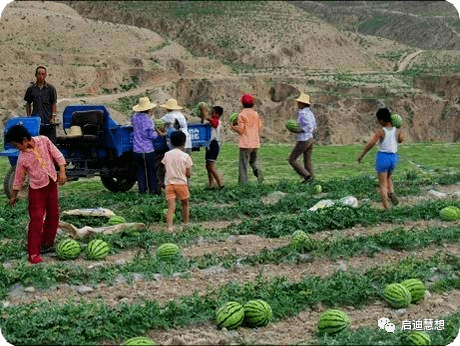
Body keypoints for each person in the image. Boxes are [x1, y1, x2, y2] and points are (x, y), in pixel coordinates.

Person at [5, 124, 67, 264]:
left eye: (16, 145)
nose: (17, 148)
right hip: (37, 189)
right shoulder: (22, 157)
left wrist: (62, 172)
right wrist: (14, 196)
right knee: (37, 218)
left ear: (24, 140)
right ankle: (33, 252)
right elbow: (18, 178)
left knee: (54, 214)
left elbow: (57, 155)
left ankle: (47, 243)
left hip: (51, 183)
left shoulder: (43, 140)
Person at [358, 107, 403, 209]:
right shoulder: (397, 131)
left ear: (382, 120)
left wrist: (362, 155)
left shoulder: (381, 132)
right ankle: (391, 192)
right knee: (388, 177)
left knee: (382, 184)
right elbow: (400, 140)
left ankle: (386, 208)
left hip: (383, 158)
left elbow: (371, 144)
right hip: (394, 158)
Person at [161, 131, 193, 232]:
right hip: (182, 184)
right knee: (185, 205)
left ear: (171, 142)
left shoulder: (167, 155)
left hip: (169, 184)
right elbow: (189, 174)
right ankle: (186, 224)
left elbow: (163, 169)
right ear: (184, 143)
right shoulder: (186, 156)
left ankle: (169, 227)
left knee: (171, 207)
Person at [131, 97, 164, 194]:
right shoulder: (148, 120)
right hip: (147, 149)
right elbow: (151, 136)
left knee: (140, 172)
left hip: (136, 149)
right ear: (148, 109)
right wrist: (157, 133)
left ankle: (142, 190)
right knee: (151, 171)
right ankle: (153, 190)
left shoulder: (135, 118)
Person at [230, 93, 263, 185]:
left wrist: (233, 127)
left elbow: (242, 130)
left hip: (245, 143)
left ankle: (243, 184)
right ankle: (258, 171)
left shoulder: (242, 114)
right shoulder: (256, 114)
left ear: (242, 103)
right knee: (253, 161)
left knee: (243, 165)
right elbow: (259, 126)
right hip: (255, 142)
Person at [288, 92, 317, 183]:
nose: (297, 104)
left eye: (299, 102)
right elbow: (314, 126)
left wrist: (298, 130)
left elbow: (308, 127)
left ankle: (306, 176)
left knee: (292, 159)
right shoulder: (310, 113)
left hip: (304, 139)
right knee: (307, 159)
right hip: (310, 138)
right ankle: (311, 180)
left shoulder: (303, 113)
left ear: (302, 103)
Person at [24, 66, 58, 142]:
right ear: (36, 75)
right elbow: (28, 103)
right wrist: (29, 116)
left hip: (48, 121)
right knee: (36, 142)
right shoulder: (31, 89)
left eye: (43, 74)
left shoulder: (51, 89)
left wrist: (53, 117)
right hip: (35, 121)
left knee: (49, 142)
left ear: (45, 75)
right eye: (39, 74)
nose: (41, 76)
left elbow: (54, 103)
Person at [200, 104, 224, 189]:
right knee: (208, 165)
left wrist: (205, 112)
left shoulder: (217, 121)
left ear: (217, 114)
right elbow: (203, 121)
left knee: (211, 166)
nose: (210, 113)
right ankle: (211, 185)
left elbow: (213, 123)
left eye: (212, 112)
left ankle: (221, 184)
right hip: (210, 145)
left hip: (214, 144)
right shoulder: (211, 121)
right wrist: (203, 114)